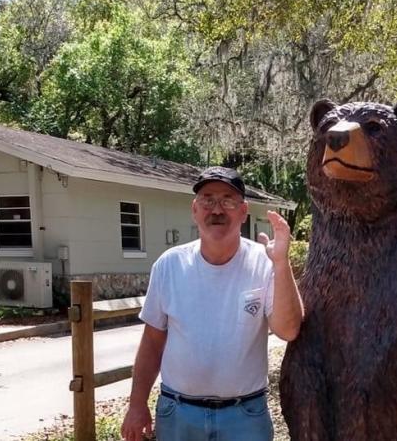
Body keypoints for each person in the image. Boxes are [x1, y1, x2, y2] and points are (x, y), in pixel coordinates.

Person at [120, 166, 304, 441]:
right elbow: (152, 342)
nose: (217, 209)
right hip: (179, 414)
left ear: (243, 212)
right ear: (195, 209)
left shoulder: (265, 263)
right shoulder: (169, 265)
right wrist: (137, 405)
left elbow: (288, 330)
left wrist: (281, 262)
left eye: (228, 200)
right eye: (208, 199)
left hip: (245, 417)